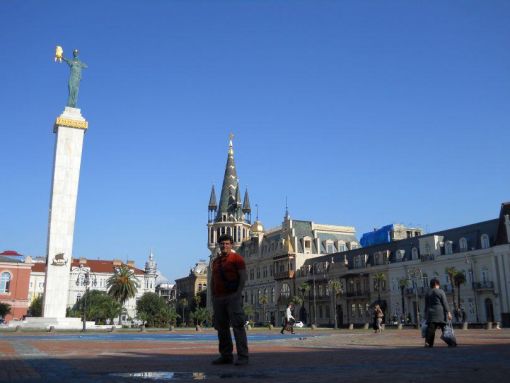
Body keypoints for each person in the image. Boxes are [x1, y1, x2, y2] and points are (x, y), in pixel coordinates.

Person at [211, 234, 249, 366]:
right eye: (222, 243)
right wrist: (213, 297)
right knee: (222, 328)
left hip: (232, 297)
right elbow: (213, 280)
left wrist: (237, 293)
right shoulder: (215, 262)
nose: (224, 246)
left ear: (231, 245)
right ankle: (226, 355)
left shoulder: (237, 258)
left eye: (227, 243)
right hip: (218, 298)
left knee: (238, 326)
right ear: (219, 245)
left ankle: (243, 356)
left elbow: (243, 277)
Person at [424, 278, 453, 347]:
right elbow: (445, 303)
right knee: (445, 329)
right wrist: (448, 312)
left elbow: (426, 305)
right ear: (436, 284)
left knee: (430, 330)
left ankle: (428, 343)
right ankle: (451, 342)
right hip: (440, 314)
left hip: (431, 314)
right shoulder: (440, 292)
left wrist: (425, 314)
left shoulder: (427, 293)